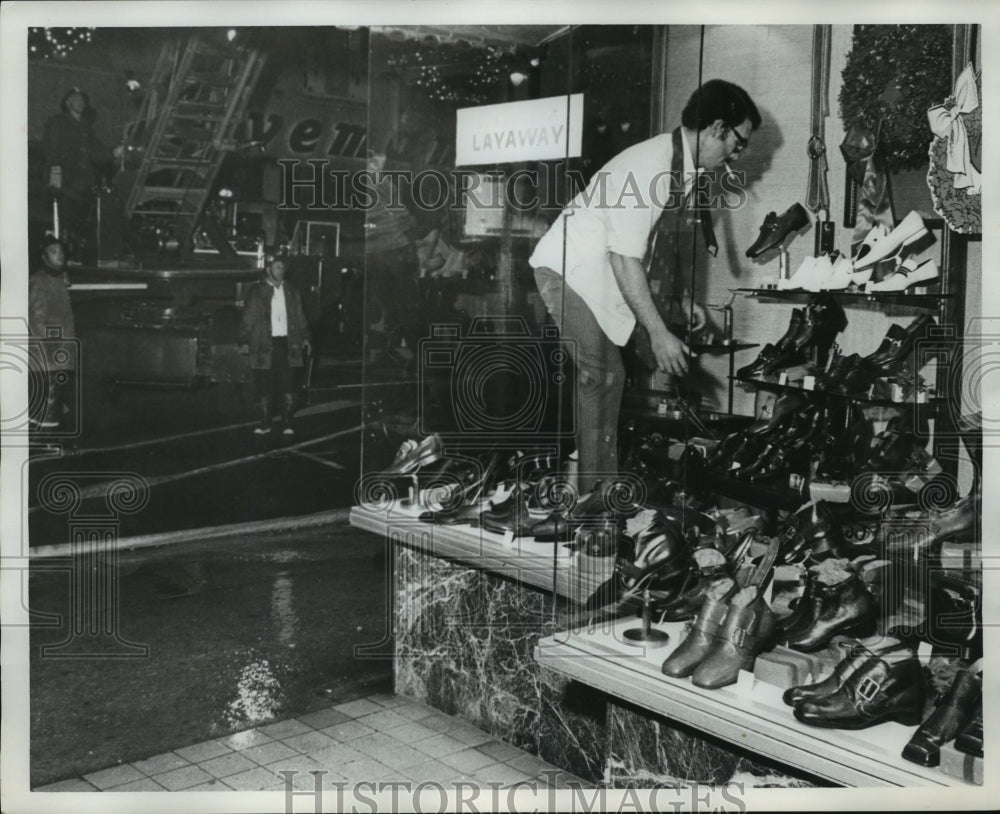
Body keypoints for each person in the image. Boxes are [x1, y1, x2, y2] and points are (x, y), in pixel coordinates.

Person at [530, 79, 761, 491]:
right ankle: (594, 502)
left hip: (602, 276)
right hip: (572, 272)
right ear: (717, 128)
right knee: (602, 377)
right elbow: (625, 256)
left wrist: (680, 298)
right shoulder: (651, 166)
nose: (736, 155)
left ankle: (588, 487)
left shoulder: (682, 169)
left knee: (618, 376)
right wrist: (658, 332)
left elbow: (653, 242)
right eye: (738, 143)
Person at [43, 86, 123, 259]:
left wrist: (113, 152)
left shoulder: (86, 128)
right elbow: (51, 150)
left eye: (83, 99)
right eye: (76, 99)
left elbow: (97, 151)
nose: (81, 102)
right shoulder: (57, 122)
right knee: (63, 222)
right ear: (67, 102)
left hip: (84, 183)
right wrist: (55, 175)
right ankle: (60, 258)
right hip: (66, 182)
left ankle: (73, 256)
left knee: (78, 223)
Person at [240, 254, 312, 436]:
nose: (281, 271)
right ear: (268, 269)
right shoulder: (256, 291)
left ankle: (287, 421)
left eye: (282, 268)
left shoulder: (292, 291)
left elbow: (300, 317)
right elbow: (248, 318)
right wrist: (243, 340)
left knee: (288, 385)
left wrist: (305, 337)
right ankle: (265, 423)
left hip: (288, 344)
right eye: (278, 267)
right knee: (264, 385)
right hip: (264, 344)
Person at [28, 236, 77, 431]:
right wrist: (53, 347)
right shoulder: (39, 281)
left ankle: (47, 434)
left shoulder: (56, 278)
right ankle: (47, 441)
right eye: (54, 252)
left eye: (62, 252)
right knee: (50, 397)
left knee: (53, 398)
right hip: (50, 351)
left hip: (58, 348)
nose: (60, 255)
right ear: (44, 256)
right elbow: (37, 320)